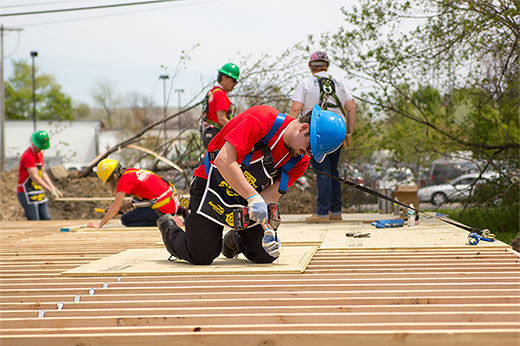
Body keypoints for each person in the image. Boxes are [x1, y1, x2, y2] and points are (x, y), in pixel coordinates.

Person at [157, 104, 346, 265]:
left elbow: (269, 197)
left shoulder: (300, 160)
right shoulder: (262, 119)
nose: (306, 154)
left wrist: (268, 231)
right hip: (211, 184)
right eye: (310, 148)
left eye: (312, 154)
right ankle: (168, 226)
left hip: (247, 197)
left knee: (264, 255)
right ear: (304, 128)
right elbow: (224, 160)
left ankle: (234, 241)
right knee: (201, 255)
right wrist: (252, 197)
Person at [289, 51, 357, 223]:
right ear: (327, 65)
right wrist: (349, 132)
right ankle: (336, 211)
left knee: (322, 170)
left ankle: (322, 213)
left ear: (310, 67)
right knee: (333, 170)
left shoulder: (305, 83)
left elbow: (296, 108)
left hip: (316, 131)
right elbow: (352, 107)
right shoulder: (339, 82)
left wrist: (288, 129)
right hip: (337, 130)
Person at [87, 158, 185, 228]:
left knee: (126, 220)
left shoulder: (123, 181)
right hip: (173, 201)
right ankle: (175, 213)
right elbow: (139, 200)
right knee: (133, 214)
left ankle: (169, 221)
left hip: (165, 207)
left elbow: (115, 207)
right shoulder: (132, 172)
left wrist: (100, 224)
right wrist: (121, 208)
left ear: (111, 177)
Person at [17, 130, 63, 220]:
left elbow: (43, 173)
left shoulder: (39, 154)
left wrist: (53, 188)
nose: (41, 149)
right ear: (34, 143)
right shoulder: (28, 156)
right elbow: (35, 177)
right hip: (27, 191)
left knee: (46, 218)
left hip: (37, 190)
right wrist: (49, 189)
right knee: (34, 220)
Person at [200, 62, 240, 148]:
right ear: (224, 78)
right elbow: (222, 119)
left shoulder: (212, 92)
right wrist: (237, 130)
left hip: (208, 134)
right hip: (216, 134)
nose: (235, 84)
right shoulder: (220, 94)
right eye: (233, 80)